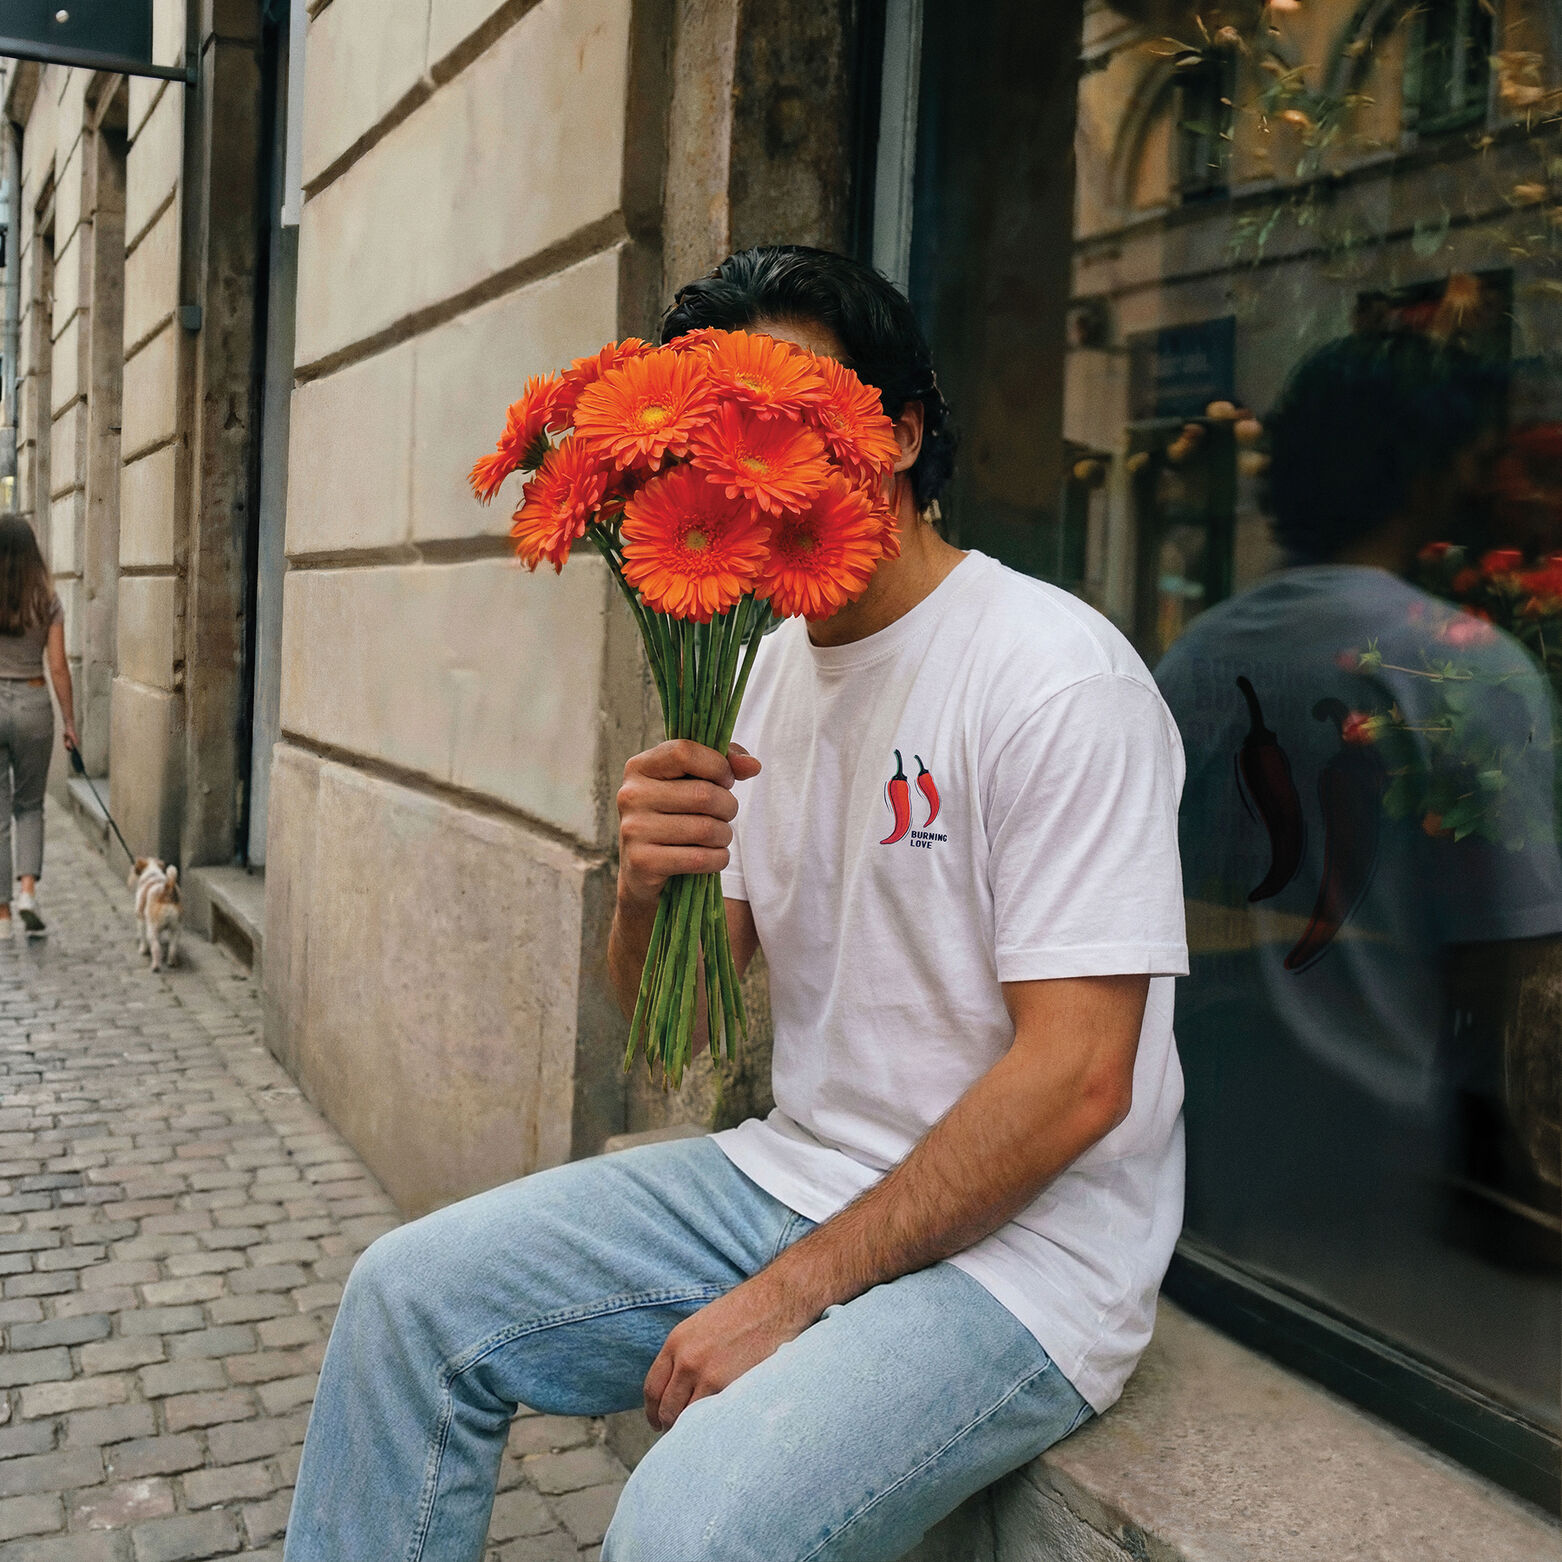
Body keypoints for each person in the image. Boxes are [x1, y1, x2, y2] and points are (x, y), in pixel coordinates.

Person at [284, 246, 1188, 1562]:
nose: (751, 459)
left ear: (898, 430)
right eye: (724, 435)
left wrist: (790, 1295)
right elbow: (672, 1026)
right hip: (792, 1177)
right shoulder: (759, 671)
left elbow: (1078, 1077)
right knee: (405, 1300)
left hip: (1029, 1262)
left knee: (684, 1528)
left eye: (797, 412)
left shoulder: (1051, 674)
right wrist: (644, 890)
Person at [1156, 333, 1562, 1414]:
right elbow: (1516, 966)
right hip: (1399, 1215)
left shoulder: (1194, 656)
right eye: (1480, 456)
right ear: (1426, 470)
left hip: (1206, 1178)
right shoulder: (1461, 662)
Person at [0, 513, 76, 938]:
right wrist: (69, 720)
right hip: (32, 704)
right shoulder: (47, 598)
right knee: (29, 805)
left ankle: (3, 916)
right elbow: (59, 667)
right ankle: (28, 891)